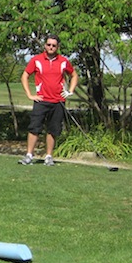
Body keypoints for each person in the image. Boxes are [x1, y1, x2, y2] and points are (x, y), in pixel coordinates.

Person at [20, 34, 79, 166]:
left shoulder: (63, 61)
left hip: (58, 101)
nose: (51, 47)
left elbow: (74, 75)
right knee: (34, 128)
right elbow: (25, 76)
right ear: (45, 45)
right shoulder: (36, 60)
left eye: (54, 45)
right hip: (41, 100)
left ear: (57, 47)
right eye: (48, 45)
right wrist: (29, 95)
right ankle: (29, 155)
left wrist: (70, 91)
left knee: (53, 129)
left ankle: (48, 156)